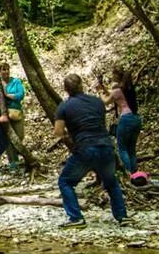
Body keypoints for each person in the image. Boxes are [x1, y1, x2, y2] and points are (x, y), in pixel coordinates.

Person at [52, 74, 130, 228]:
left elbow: (58, 131)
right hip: (106, 146)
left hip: (85, 149)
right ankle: (122, 216)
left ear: (66, 89)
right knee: (111, 182)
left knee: (65, 181)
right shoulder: (97, 102)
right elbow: (101, 122)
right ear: (81, 85)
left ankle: (76, 218)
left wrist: (70, 134)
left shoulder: (64, 106)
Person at [97, 67, 141, 177]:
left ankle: (128, 175)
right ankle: (135, 174)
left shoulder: (118, 90)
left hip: (126, 119)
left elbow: (106, 101)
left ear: (117, 76)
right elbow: (114, 95)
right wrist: (103, 88)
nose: (112, 77)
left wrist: (100, 91)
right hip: (136, 119)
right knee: (131, 149)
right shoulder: (128, 88)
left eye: (113, 74)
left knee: (122, 149)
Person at [0, 62, 26, 175]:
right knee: (8, 139)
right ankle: (13, 162)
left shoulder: (16, 81)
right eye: (3, 69)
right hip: (3, 115)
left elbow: (21, 95)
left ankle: (16, 154)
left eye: (7, 69)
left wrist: (7, 95)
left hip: (16, 113)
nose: (6, 71)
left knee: (19, 136)